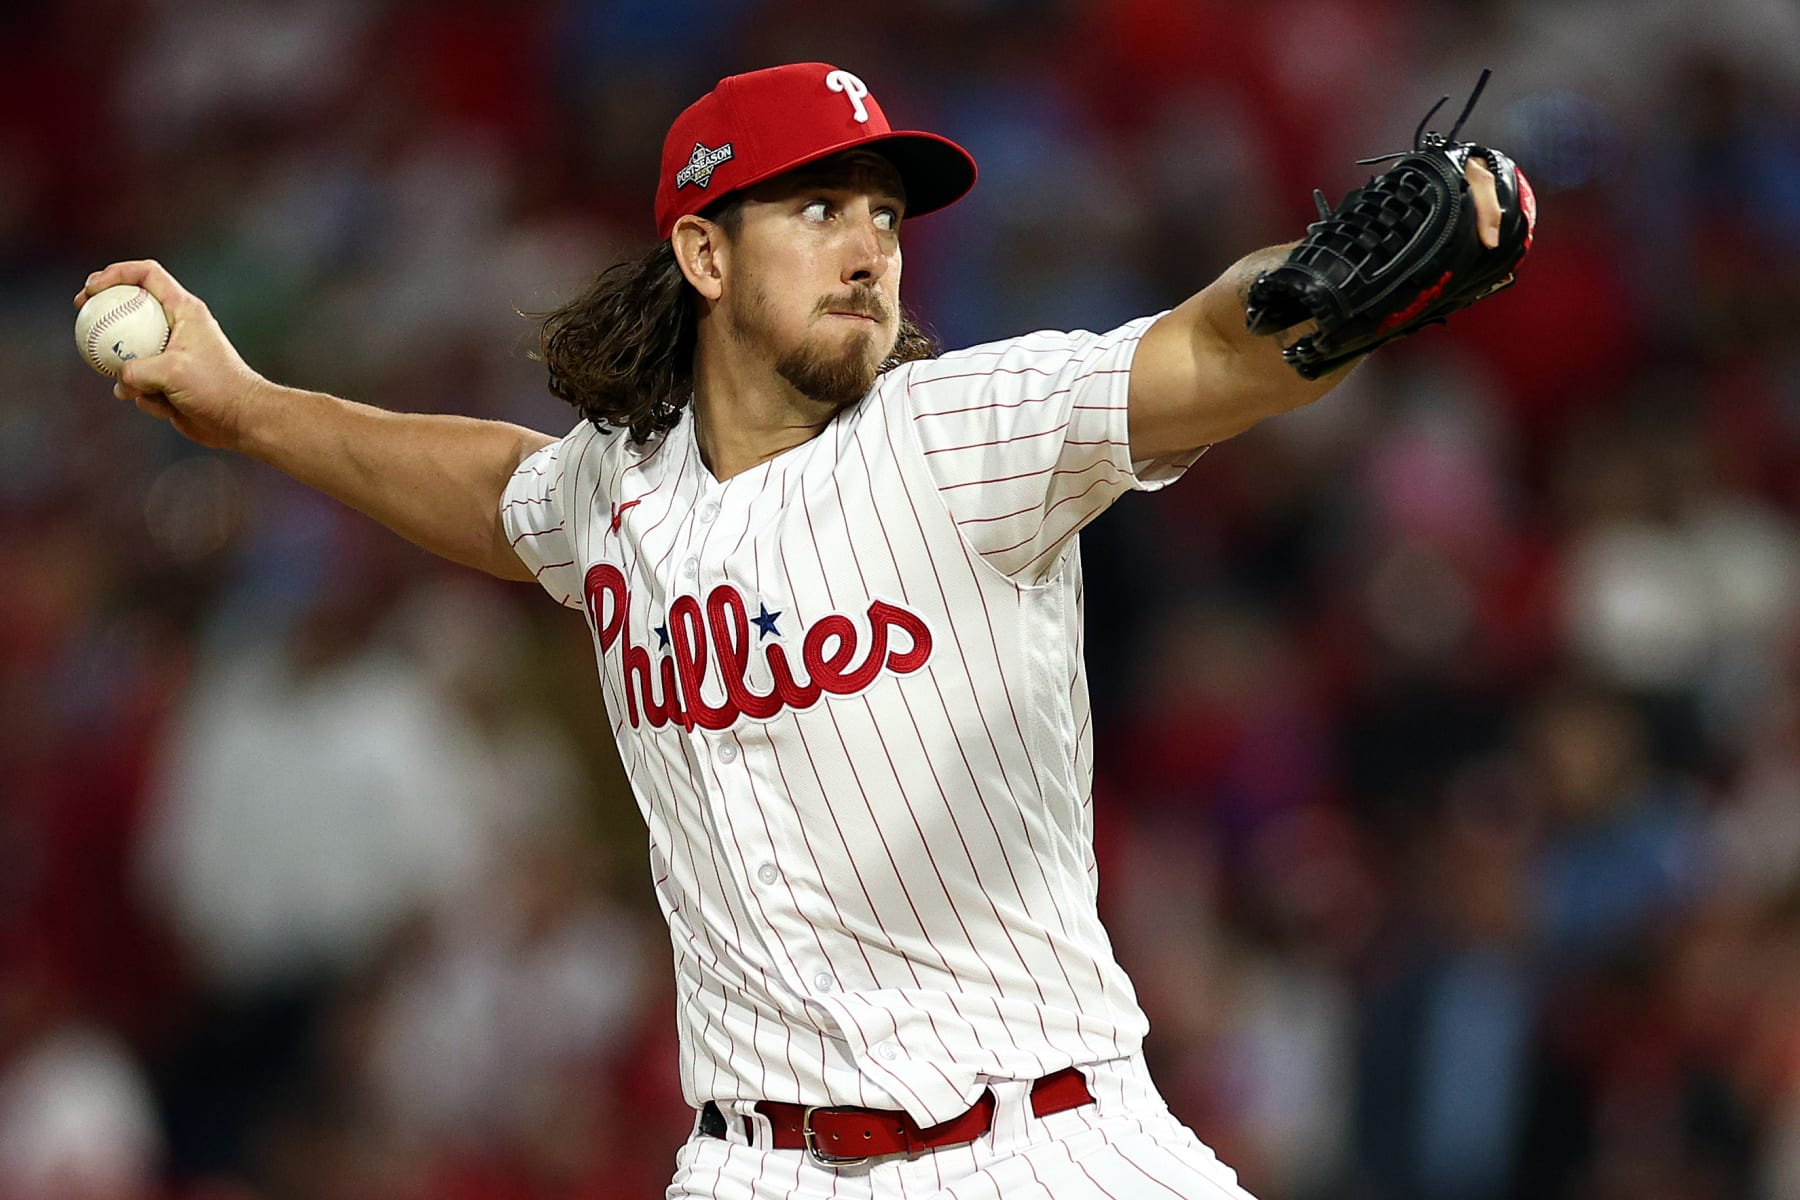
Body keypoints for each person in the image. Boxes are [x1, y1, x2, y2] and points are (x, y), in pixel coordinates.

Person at [78, 61, 1506, 1200]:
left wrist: (1315, 296)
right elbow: (489, 490)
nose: (869, 248)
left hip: (1051, 1145)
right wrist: (248, 407)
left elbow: (1199, 349)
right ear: (703, 248)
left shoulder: (959, 437)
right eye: (818, 209)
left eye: (884, 216)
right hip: (757, 1164)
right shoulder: (614, 489)